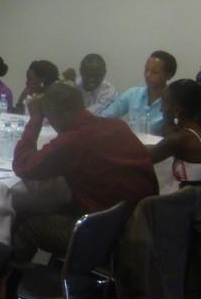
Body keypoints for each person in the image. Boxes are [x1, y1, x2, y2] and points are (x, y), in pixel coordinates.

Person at [11, 82, 157, 264]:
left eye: (49, 117)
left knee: (25, 225)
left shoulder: (73, 139)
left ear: (59, 113)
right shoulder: (117, 126)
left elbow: (24, 165)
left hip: (102, 232)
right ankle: (59, 271)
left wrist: (35, 119)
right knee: (50, 206)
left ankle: (8, 280)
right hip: (135, 224)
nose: (52, 125)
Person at [100, 50, 177, 135]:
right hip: (131, 142)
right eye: (146, 70)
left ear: (169, 75)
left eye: (154, 72)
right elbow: (105, 116)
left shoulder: (173, 101)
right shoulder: (133, 94)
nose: (148, 75)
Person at [147, 79, 201, 187]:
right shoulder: (194, 130)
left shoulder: (180, 139)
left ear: (177, 110)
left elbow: (143, 157)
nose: (161, 109)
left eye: (163, 103)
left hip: (189, 197)